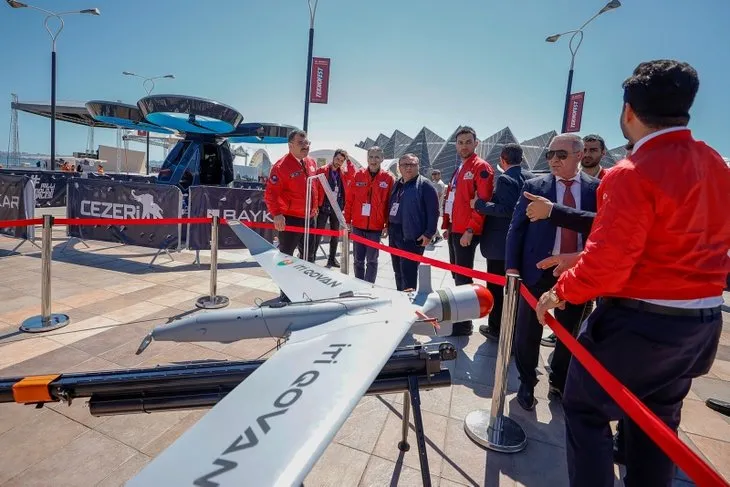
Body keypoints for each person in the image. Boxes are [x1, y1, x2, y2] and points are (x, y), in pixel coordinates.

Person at [535, 59, 730, 487]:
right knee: (657, 423)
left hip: (641, 324)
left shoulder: (630, 174)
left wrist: (560, 292)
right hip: (702, 323)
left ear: (628, 111)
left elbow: (608, 262)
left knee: (585, 409)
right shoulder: (717, 164)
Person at [505, 133, 599, 410]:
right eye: (550, 154)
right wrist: (512, 268)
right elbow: (516, 230)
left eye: (561, 155)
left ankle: (559, 381)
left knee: (569, 333)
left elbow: (603, 230)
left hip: (577, 273)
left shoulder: (598, 189)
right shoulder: (534, 185)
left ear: (580, 155)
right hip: (536, 271)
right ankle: (526, 381)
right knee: (527, 332)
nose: (554, 160)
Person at [471, 143, 534, 340]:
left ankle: (496, 328)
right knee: (515, 289)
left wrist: (480, 204)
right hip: (521, 242)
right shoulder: (530, 177)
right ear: (521, 159)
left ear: (502, 160)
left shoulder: (506, 179)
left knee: (496, 288)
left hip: (500, 245)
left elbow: (507, 210)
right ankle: (515, 329)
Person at [441, 126, 495, 336]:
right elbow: (454, 199)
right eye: (460, 142)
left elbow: (482, 203)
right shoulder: (460, 167)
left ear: (476, 143)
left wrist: (471, 229)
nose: (464, 146)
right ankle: (459, 318)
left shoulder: (481, 167)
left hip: (466, 231)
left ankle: (463, 324)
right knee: (457, 274)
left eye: (468, 142)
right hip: (456, 228)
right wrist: (448, 226)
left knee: (463, 278)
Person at [264, 129, 319, 301]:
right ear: (290, 145)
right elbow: (271, 193)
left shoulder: (311, 162)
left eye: (307, 143)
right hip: (291, 218)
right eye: (301, 143)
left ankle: (306, 289)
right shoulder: (280, 166)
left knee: (309, 256)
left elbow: (314, 187)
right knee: (286, 257)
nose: (306, 146)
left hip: (310, 218)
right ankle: (286, 294)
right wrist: (277, 214)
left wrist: (315, 207)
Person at [387, 153, 439, 290]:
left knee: (408, 274)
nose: (408, 168)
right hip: (395, 233)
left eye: (412, 164)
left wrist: (429, 233)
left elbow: (434, 211)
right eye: (404, 165)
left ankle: (408, 303)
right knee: (397, 271)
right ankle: (399, 296)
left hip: (411, 236)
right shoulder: (397, 184)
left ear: (418, 166)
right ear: (399, 167)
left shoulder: (424, 185)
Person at [344, 146, 394, 283]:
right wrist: (347, 221)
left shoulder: (388, 178)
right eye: (371, 157)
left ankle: (369, 286)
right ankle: (359, 284)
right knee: (358, 260)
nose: (374, 160)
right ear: (367, 158)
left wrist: (387, 225)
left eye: (377, 157)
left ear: (382, 159)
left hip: (376, 228)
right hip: (358, 226)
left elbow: (390, 204)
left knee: (372, 260)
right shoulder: (357, 175)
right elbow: (349, 200)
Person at [314, 149, 350, 267]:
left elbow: (353, 174)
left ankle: (332, 259)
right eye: (337, 159)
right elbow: (315, 189)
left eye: (341, 160)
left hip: (337, 207)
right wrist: (315, 205)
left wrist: (348, 160)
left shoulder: (343, 173)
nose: (339, 162)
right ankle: (312, 256)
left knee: (335, 234)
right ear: (333, 157)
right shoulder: (322, 170)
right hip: (323, 206)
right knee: (318, 233)